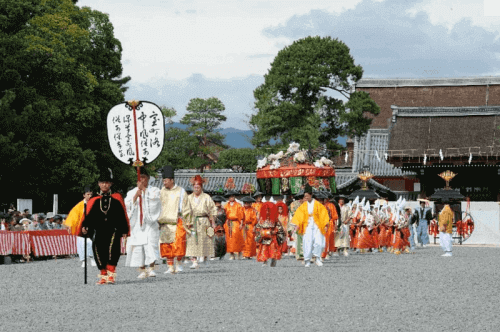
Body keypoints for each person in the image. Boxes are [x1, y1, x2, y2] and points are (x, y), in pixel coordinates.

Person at [78, 168, 130, 285]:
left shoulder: (117, 198)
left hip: (113, 230)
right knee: (98, 251)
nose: (104, 185)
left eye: (107, 182)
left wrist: (124, 229)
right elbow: (89, 215)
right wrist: (85, 225)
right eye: (102, 182)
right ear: (98, 184)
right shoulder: (94, 199)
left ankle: (111, 275)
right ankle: (103, 274)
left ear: (111, 183)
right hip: (98, 230)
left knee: (112, 251)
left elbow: (122, 215)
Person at [125, 167, 162, 279]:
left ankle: (151, 268)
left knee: (150, 244)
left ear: (148, 178)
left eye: (144, 178)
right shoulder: (131, 192)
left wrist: (145, 192)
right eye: (139, 178)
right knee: (138, 246)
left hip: (149, 223)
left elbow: (156, 201)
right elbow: (127, 205)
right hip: (137, 223)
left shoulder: (154, 190)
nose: (141, 180)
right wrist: (136, 196)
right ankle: (141, 269)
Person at [158, 165, 192, 274]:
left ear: (172, 180)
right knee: (166, 245)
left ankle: (179, 265)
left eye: (166, 180)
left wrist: (188, 221)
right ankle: (170, 266)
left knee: (179, 244)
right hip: (164, 222)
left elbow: (186, 208)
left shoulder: (181, 191)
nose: (164, 183)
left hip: (177, 220)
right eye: (163, 180)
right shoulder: (161, 191)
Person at [290, 185, 329, 268]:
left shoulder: (318, 205)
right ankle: (307, 260)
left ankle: (317, 258)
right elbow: (298, 215)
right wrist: (297, 224)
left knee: (319, 242)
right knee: (307, 242)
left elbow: (324, 215)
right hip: (307, 225)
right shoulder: (303, 206)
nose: (306, 197)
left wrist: (325, 224)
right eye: (305, 196)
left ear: (311, 195)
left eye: (307, 196)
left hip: (317, 225)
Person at [185, 175, 217, 269]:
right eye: (195, 187)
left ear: (201, 187)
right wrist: (187, 221)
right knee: (192, 241)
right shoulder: (189, 198)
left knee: (206, 240)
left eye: (198, 187)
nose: (196, 188)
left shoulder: (206, 197)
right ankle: (194, 261)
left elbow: (212, 210)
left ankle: (206, 258)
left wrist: (213, 222)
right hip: (193, 221)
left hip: (204, 221)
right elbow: (186, 210)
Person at [63, 186, 96, 267]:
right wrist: (69, 225)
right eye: (88, 194)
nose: (89, 196)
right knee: (81, 244)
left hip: (91, 227)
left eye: (91, 194)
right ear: (84, 195)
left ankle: (92, 258)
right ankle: (84, 260)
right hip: (81, 227)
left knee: (91, 242)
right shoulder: (79, 206)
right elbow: (73, 216)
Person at [255, 202, 285, 267]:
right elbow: (257, 227)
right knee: (264, 249)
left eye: (269, 210)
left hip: (273, 236)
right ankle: (264, 261)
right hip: (264, 237)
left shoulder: (275, 219)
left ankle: (273, 260)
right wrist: (260, 233)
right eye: (266, 210)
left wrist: (275, 232)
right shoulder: (261, 219)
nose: (267, 211)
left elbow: (279, 228)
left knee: (273, 249)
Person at [224, 190, 244, 260]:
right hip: (228, 223)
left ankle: (239, 252)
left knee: (237, 238)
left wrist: (241, 223)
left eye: (232, 196)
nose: (231, 198)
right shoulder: (226, 205)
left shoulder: (238, 205)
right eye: (230, 197)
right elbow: (224, 215)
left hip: (236, 223)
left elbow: (241, 215)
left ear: (234, 197)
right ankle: (231, 254)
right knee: (229, 239)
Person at [289, 191, 305, 260]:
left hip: (304, 222)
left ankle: (301, 253)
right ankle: (296, 253)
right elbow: (293, 213)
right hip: (297, 222)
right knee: (296, 238)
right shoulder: (294, 204)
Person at [212, 195, 227, 260]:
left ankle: (222, 254)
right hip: (214, 225)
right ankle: (214, 254)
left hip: (221, 226)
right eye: (217, 202)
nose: (218, 203)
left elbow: (224, 218)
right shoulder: (212, 209)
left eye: (219, 202)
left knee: (222, 240)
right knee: (214, 240)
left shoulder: (223, 210)